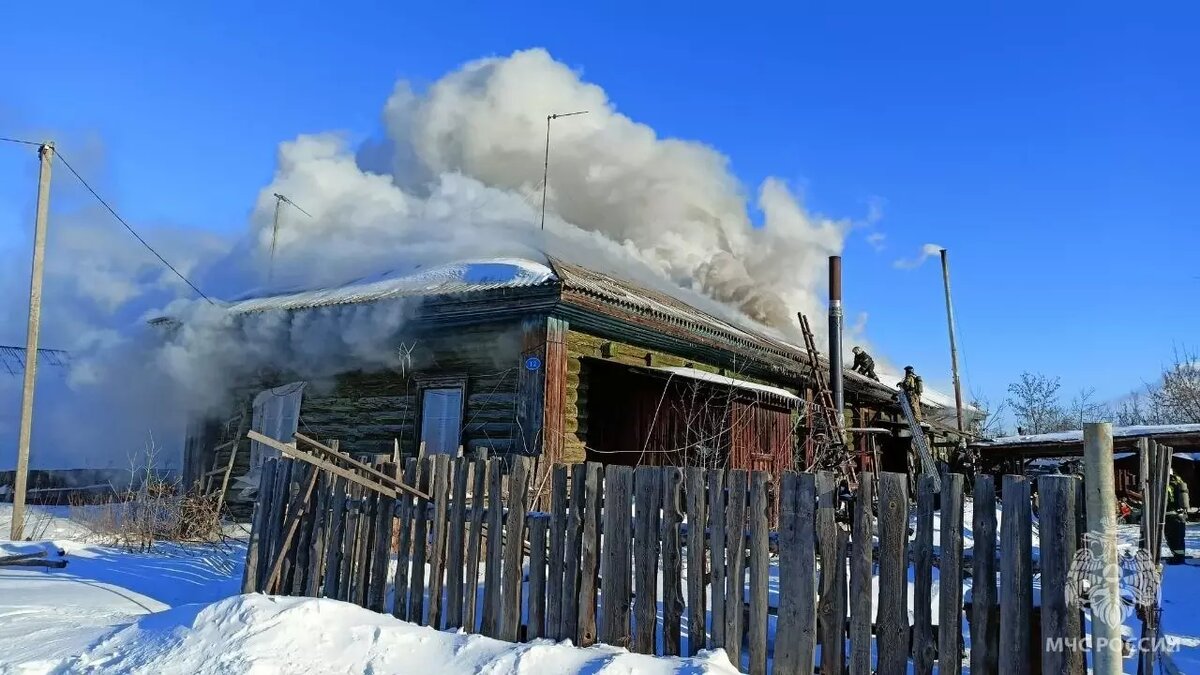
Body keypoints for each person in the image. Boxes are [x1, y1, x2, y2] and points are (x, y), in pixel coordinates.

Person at [1166, 473, 1190, 564]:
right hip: (1181, 514)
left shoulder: (1166, 484)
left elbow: (1168, 501)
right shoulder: (1179, 481)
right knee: (1180, 539)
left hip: (1171, 515)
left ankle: (1178, 559)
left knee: (1172, 538)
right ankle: (1180, 557)